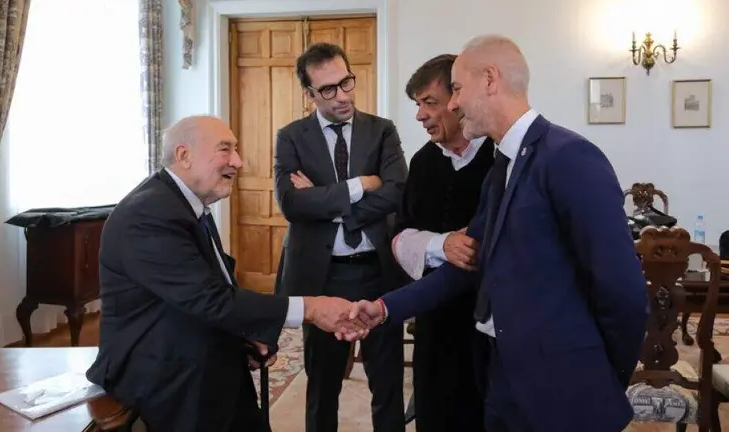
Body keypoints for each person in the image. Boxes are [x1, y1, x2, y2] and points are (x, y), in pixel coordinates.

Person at [344, 34, 649, 432]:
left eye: (455, 89)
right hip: (500, 377)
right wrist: (384, 309)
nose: (452, 104)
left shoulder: (569, 157)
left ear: (490, 79)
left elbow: (622, 290)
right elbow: (466, 265)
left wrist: (605, 377)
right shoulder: (501, 169)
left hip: (559, 389)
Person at [86, 115, 366, 432]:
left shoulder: (186, 204)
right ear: (183, 155)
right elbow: (211, 300)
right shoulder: (148, 215)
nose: (239, 161)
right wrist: (312, 308)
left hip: (203, 357)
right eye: (225, 149)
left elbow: (210, 289)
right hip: (164, 377)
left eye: (235, 150)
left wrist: (243, 335)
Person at [273, 42, 408, 432]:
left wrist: (326, 202)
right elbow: (291, 205)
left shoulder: (382, 130)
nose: (343, 95)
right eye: (328, 89)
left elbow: (396, 190)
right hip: (322, 278)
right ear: (309, 94)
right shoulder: (291, 137)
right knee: (323, 387)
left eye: (346, 82)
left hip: (378, 274)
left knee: (387, 385)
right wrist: (360, 185)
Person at [392, 53, 493, 432]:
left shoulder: (501, 157)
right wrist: (442, 244)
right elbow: (401, 237)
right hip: (435, 322)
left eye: (429, 103)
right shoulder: (421, 164)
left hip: (491, 323)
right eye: (418, 105)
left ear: (457, 98)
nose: (421, 115)